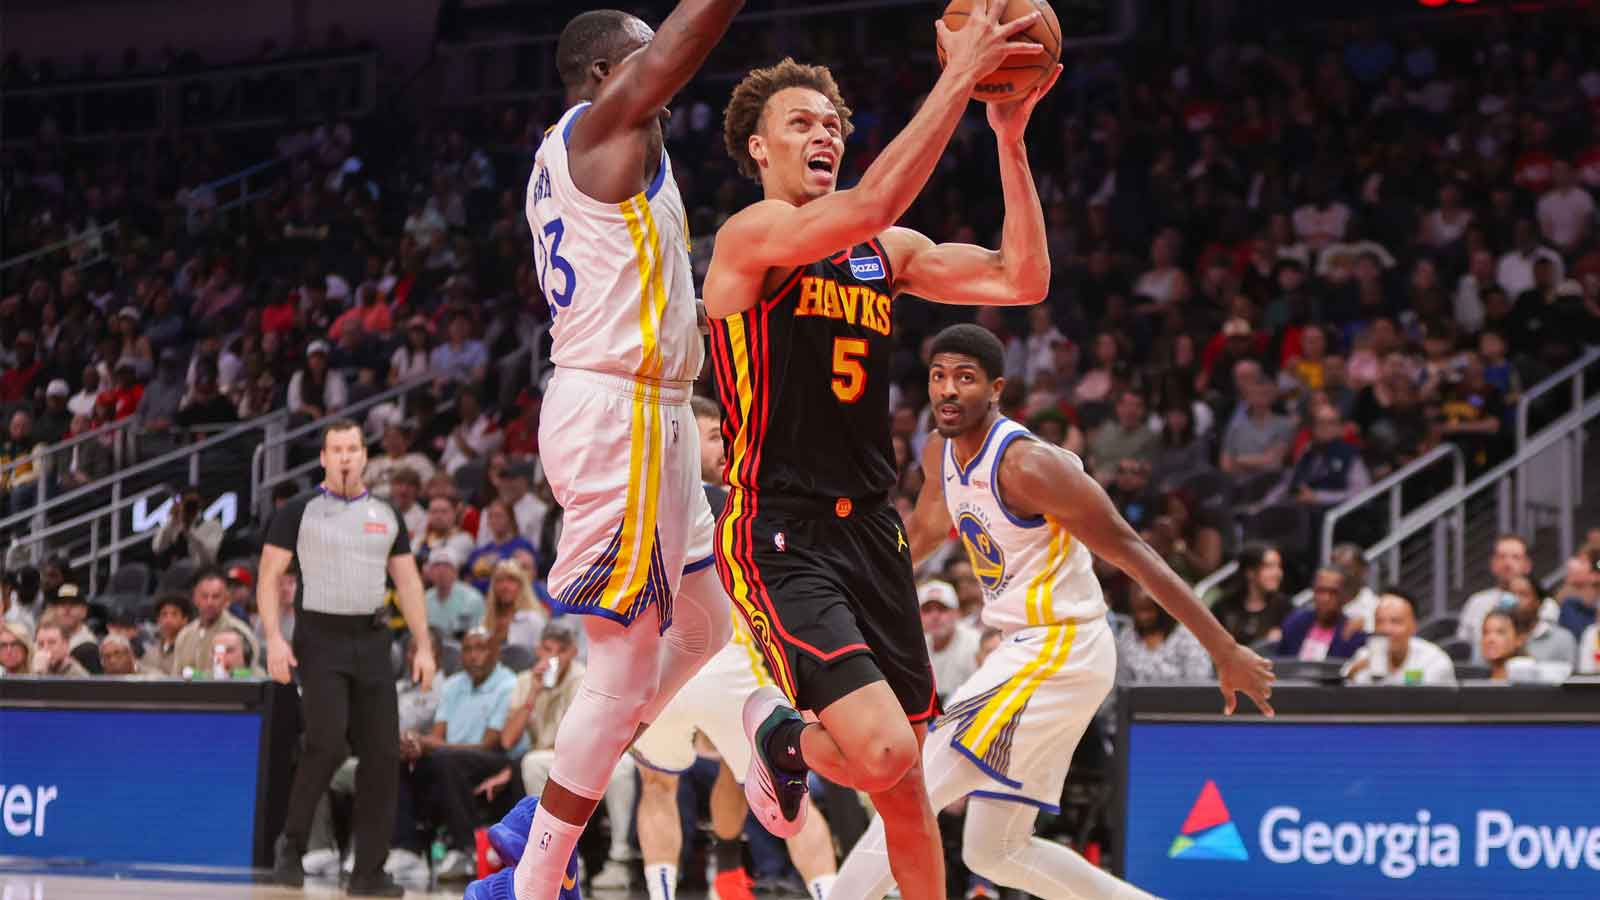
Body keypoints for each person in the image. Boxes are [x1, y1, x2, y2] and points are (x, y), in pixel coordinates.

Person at [700, 13, 1058, 896]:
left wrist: (1008, 135)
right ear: (758, 147)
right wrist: (961, 71)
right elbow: (873, 202)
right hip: (778, 531)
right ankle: (778, 739)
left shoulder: (882, 254)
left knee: (906, 786)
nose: (824, 133)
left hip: (874, 536)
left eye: (833, 124)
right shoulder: (752, 237)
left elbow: (1023, 278)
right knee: (888, 748)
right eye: (802, 123)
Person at [831, 324, 1272, 900]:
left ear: (995, 389)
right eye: (939, 376)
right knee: (995, 849)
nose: (947, 390)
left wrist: (1224, 648)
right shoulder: (941, 449)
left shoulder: (1029, 467)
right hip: (1038, 651)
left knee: (910, 784)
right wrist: (847, 596)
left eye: (964, 378)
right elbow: (926, 531)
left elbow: (1135, 553)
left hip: (1058, 646)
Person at [503, 6, 751, 898]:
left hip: (656, 413)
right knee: (621, 665)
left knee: (707, 623)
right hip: (622, 413)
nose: (666, 77)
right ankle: (532, 882)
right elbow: (681, 49)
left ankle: (542, 822)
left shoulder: (616, 148)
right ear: (607, 71)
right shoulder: (597, 128)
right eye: (646, 59)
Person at [629, 397, 839, 900]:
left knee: (658, 787)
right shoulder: (735, 505)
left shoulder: (636, 500)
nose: (723, 447)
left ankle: (683, 885)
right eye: (711, 436)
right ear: (682, 442)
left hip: (658, 667)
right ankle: (828, 890)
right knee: (790, 788)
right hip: (727, 664)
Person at [261, 419, 437, 897]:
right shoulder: (299, 510)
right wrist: (275, 638)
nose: (344, 457)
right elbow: (269, 574)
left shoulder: (385, 513)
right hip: (319, 638)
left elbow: (408, 583)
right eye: (335, 449)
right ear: (323, 457)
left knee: (382, 754)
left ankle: (369, 872)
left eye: (352, 449)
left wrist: (423, 645)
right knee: (326, 743)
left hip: (373, 640)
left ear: (364, 457)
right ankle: (292, 844)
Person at [395, 627, 517, 880]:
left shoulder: (508, 684)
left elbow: (491, 743)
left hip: (495, 759)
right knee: (401, 759)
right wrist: (416, 745)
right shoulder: (452, 685)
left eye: (481, 649)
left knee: (444, 760)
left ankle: (465, 847)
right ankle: (407, 849)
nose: (474, 656)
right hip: (452, 758)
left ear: (495, 652)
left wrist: (429, 744)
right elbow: (438, 736)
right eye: (468, 650)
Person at [1342, 590, 1456, 686]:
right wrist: (1354, 673)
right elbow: (1339, 695)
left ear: (1413, 627)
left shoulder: (1433, 660)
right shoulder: (1364, 656)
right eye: (1379, 622)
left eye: (1395, 622)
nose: (1386, 629)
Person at [1116, 587, 1215, 684]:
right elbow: (1122, 682)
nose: (1143, 617)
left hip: (1181, 698)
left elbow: (1200, 681)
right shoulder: (1127, 636)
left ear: (1163, 608)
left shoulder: (1186, 636)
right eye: (1137, 611)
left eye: (1148, 610)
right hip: (1138, 699)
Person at [172, 571, 258, 674]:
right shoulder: (185, 635)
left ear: (227, 600)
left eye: (216, 596)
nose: (209, 602)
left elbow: (251, 675)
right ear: (195, 599)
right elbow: (176, 677)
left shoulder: (240, 633)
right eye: (204, 596)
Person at [1456, 535, 1534, 648]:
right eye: (1502, 557)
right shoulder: (1476, 602)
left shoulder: (1544, 605)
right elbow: (1462, 648)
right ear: (1493, 564)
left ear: (1527, 565)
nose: (1507, 564)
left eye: (1516, 557)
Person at [1209, 543, 1290, 647]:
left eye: (1279, 566)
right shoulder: (1224, 607)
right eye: (1269, 566)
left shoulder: (1284, 608)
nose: (1277, 573)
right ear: (1250, 572)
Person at [1276, 569, 1367, 661]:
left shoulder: (1351, 632)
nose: (1325, 598)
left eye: (1333, 592)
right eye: (1320, 591)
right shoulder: (1295, 623)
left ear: (1345, 595)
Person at [920, 580, 980, 704]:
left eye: (942, 609)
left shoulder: (975, 643)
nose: (934, 616)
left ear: (956, 613)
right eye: (927, 610)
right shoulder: (916, 648)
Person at [425, 548, 485, 637]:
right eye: (437, 565)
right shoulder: (424, 599)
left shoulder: (472, 598)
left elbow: (478, 634)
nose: (442, 570)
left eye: (447, 565)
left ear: (456, 572)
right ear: (429, 572)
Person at [1479, 609, 1528, 682]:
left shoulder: (1530, 678)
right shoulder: (1476, 679)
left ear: (1519, 639)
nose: (1490, 639)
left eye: (1500, 632)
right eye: (1485, 632)